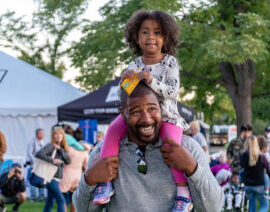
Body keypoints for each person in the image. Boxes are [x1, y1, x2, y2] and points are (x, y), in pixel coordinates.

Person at [72, 81, 224, 212]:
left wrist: (192, 168)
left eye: (152, 109)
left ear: (161, 108)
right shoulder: (103, 152)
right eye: (136, 111)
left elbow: (213, 208)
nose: (146, 119)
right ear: (122, 113)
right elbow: (83, 209)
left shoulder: (188, 148)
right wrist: (89, 179)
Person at [93, 10, 192, 211]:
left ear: (165, 38)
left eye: (157, 32)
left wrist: (151, 80)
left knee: (172, 144)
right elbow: (128, 94)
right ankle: (105, 182)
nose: (151, 37)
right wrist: (125, 81)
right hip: (137, 114)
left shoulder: (170, 62)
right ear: (137, 38)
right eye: (145, 32)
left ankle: (183, 193)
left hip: (166, 115)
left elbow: (173, 92)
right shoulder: (135, 64)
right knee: (112, 130)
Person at [35, 128, 71, 212]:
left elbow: (68, 161)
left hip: (57, 177)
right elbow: (38, 154)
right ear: (53, 136)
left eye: (60, 134)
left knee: (50, 201)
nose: (58, 136)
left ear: (63, 136)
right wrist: (52, 160)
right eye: (56, 134)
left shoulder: (62, 148)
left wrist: (60, 149)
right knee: (61, 200)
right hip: (50, 177)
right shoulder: (50, 145)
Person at [240, 135, 270, 212]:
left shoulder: (243, 156)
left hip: (248, 185)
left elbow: (242, 168)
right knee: (264, 206)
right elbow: (268, 169)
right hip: (259, 185)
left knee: (252, 207)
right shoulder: (261, 156)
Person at [59, 138, 89, 212]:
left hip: (65, 176)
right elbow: (86, 167)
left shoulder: (68, 149)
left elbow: (62, 162)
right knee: (74, 200)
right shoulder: (85, 151)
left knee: (63, 200)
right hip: (77, 177)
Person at [26, 128, 46, 201]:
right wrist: (35, 162)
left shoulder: (43, 143)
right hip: (33, 166)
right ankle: (33, 197)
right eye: (42, 133)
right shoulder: (32, 142)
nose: (43, 135)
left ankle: (41, 197)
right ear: (38, 134)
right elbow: (29, 154)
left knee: (41, 181)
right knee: (32, 182)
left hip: (41, 166)